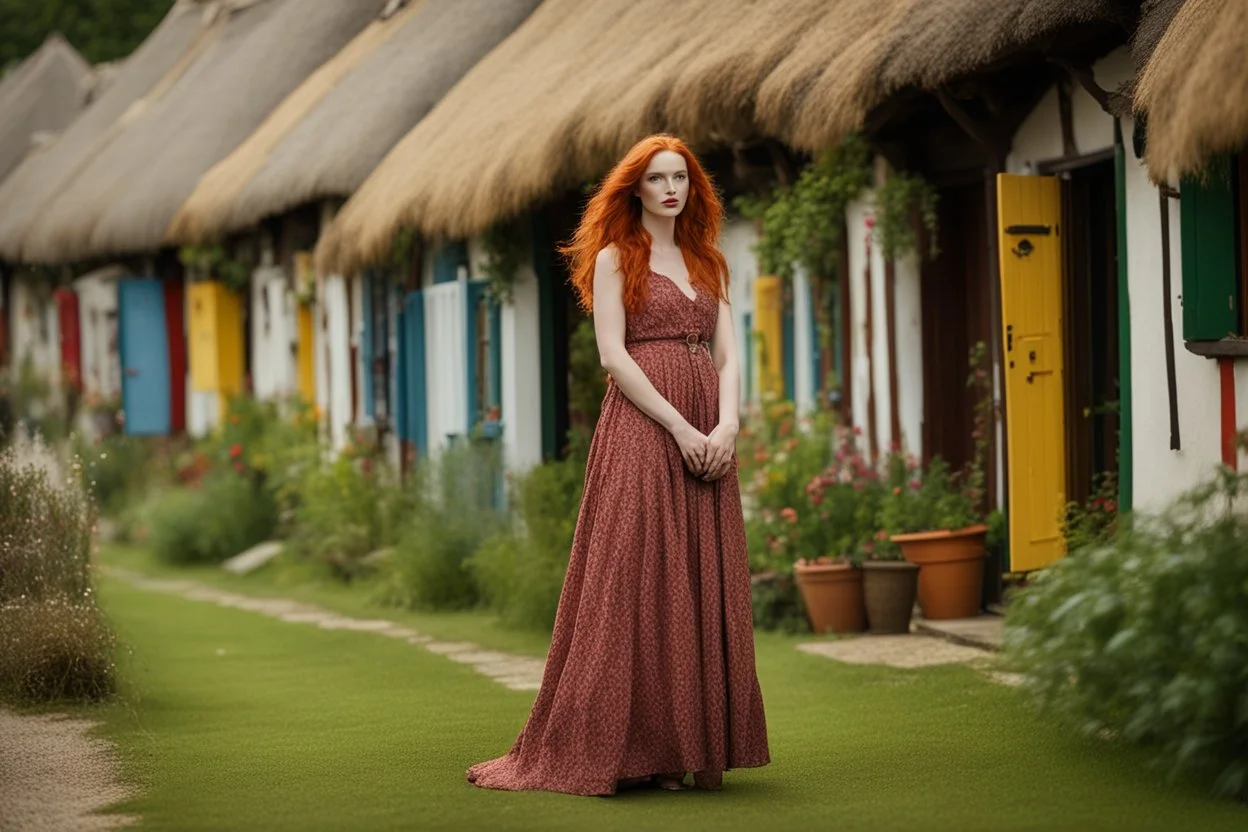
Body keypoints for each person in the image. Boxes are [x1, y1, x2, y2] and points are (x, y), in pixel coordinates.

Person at [465, 134, 770, 796]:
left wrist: (728, 423)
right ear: (634, 188)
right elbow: (613, 355)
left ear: (693, 188)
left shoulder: (708, 260)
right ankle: (631, 750)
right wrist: (682, 427)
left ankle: (688, 746)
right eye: (657, 178)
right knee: (640, 579)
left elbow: (729, 353)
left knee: (697, 579)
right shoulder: (613, 258)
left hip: (708, 429)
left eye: (680, 178)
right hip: (644, 428)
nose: (670, 188)